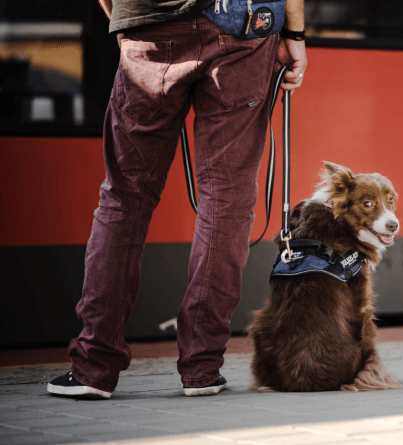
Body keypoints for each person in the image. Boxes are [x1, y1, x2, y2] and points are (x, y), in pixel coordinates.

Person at [46, 0, 307, 399]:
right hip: (244, 27)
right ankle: (201, 369)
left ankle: (93, 368)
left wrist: (127, 19)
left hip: (150, 25)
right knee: (227, 199)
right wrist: (295, 36)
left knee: (125, 196)